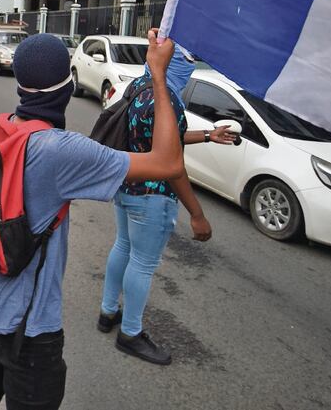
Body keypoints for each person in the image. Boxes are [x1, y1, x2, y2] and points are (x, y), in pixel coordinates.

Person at [0, 31, 185, 410]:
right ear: (66, 84)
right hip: (30, 328)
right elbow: (167, 163)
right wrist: (159, 78)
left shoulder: (5, 129)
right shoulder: (60, 151)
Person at [98, 46, 237, 365]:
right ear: (172, 66)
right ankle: (130, 333)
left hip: (125, 183)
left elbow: (164, 135)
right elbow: (172, 164)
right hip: (152, 194)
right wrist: (197, 215)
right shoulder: (167, 99)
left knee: (122, 247)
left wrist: (207, 136)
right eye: (185, 66)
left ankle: (108, 313)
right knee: (143, 264)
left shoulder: (139, 86)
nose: (187, 74)